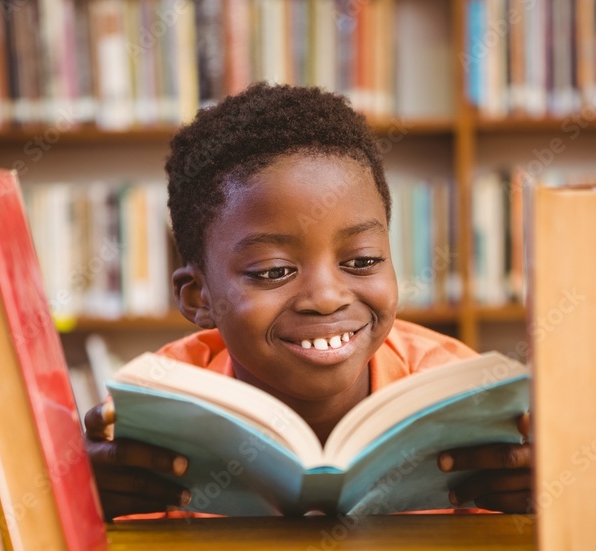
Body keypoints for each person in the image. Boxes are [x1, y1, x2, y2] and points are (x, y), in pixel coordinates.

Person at [84, 83, 531, 519]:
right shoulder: (162, 407)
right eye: (274, 271)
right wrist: (81, 504)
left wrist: (538, 495)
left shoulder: (453, 388)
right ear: (199, 296)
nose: (326, 298)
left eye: (362, 260)